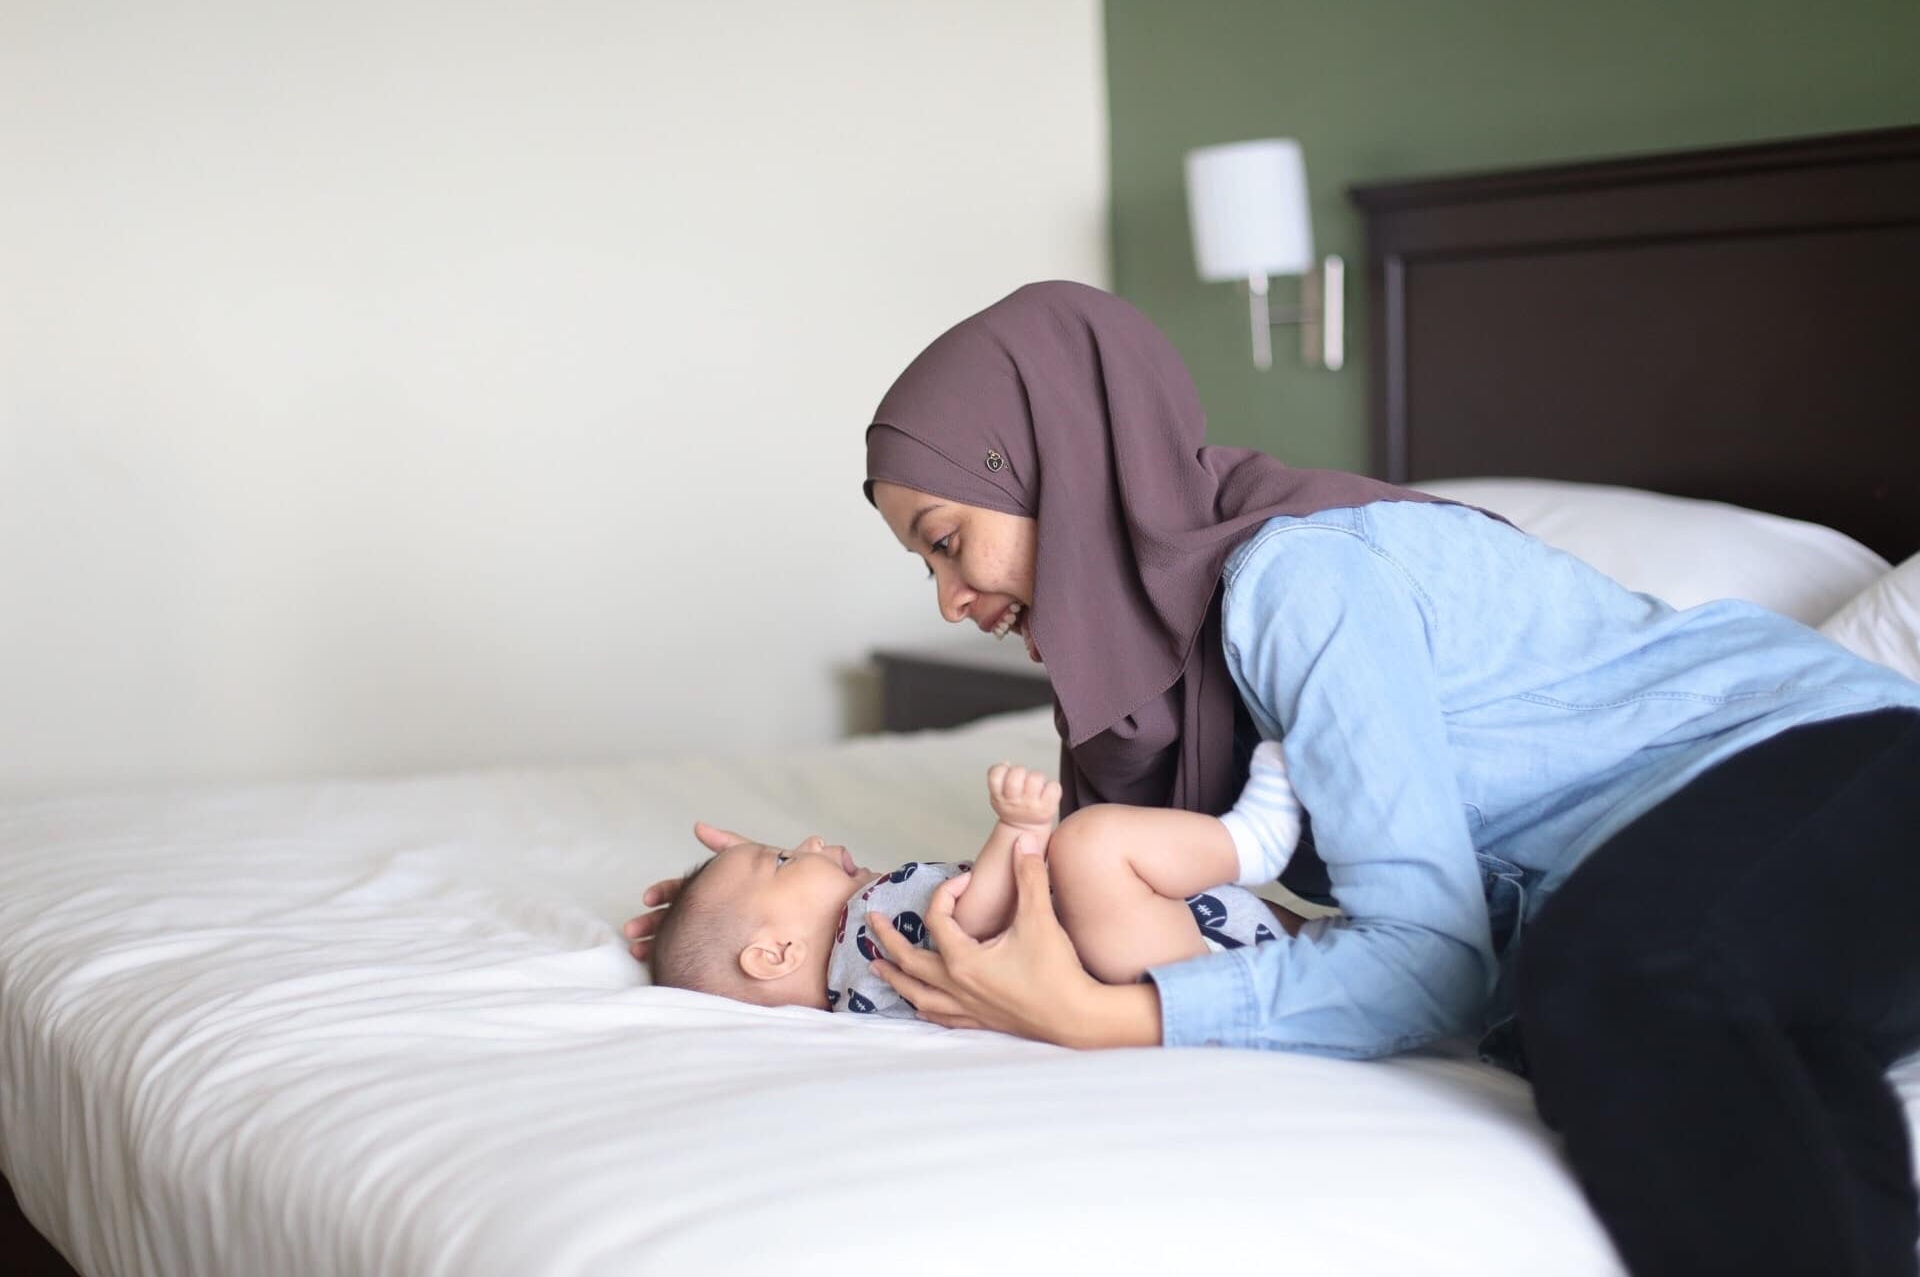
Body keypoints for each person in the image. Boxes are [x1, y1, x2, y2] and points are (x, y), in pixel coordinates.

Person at [624, 280, 1920, 1276]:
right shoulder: (1157, 703)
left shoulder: (1305, 580)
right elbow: (1180, 916)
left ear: (1057, 465)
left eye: (951, 540)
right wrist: (753, 913)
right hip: (1741, 887)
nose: (954, 600)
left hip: (1831, 776)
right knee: (1629, 1023)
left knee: (1621, 975)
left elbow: (1428, 957)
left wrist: (1102, 1024)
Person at [644, 757, 1309, 1017]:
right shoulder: (872, 926)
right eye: (787, 860)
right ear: (775, 954)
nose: (812, 843)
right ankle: (1250, 843)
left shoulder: (856, 996)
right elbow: (973, 923)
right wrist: (1013, 831)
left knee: (1318, 948)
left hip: (1154, 948)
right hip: (1147, 956)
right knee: (1093, 841)